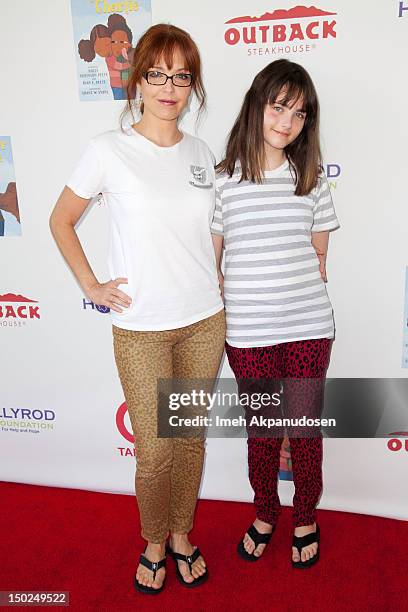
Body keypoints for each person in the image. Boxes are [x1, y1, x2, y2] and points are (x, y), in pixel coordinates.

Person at [50, 23, 225, 594]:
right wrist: (91, 284)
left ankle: (181, 533)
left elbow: (210, 237)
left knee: (189, 439)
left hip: (204, 320)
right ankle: (154, 538)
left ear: (192, 84)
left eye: (181, 75)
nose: (169, 86)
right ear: (139, 80)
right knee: (154, 453)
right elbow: (61, 219)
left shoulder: (203, 154)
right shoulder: (108, 149)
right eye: (157, 74)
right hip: (142, 327)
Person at [211, 59, 339, 568]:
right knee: (263, 433)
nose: (286, 122)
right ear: (256, 105)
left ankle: (305, 515)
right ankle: (266, 511)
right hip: (248, 333)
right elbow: (214, 260)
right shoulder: (223, 180)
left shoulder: (310, 178)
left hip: (308, 327)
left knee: (303, 429)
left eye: (299, 114)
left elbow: (320, 255)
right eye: (278, 107)